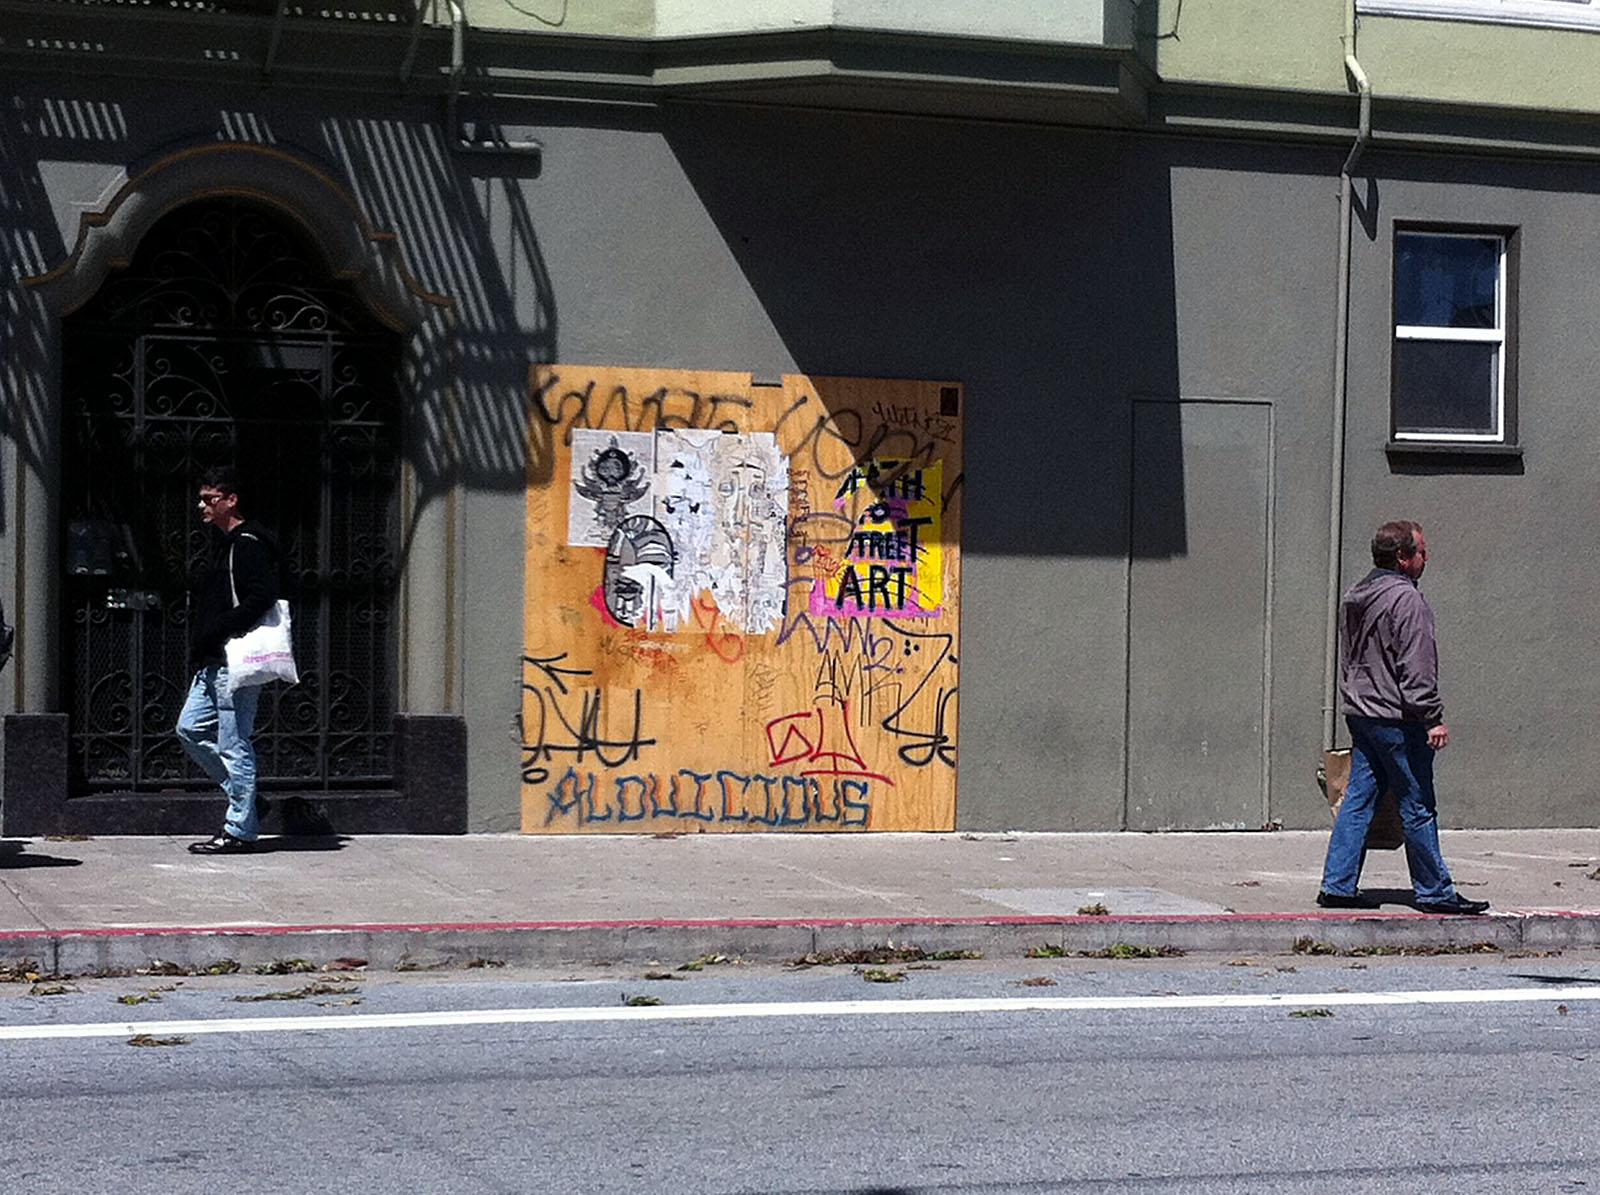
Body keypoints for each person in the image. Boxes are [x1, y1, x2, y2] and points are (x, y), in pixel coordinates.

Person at [1318, 520, 1489, 915]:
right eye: (1421, 551)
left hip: (1362, 713)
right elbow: (1417, 666)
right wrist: (1432, 718)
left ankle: (1337, 885)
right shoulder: (1407, 601)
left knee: (1359, 799)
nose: (1426, 558)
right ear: (1403, 557)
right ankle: (1435, 891)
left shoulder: (1355, 595)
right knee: (1418, 803)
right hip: (1399, 717)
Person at [176, 466, 279, 855]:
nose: (201, 506)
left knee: (234, 744)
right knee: (189, 729)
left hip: (233, 662)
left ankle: (239, 830)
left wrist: (220, 629)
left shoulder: (248, 544)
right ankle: (247, 800)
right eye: (201, 499)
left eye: (209, 499)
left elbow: (261, 596)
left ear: (231, 500)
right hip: (213, 663)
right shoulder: (226, 543)